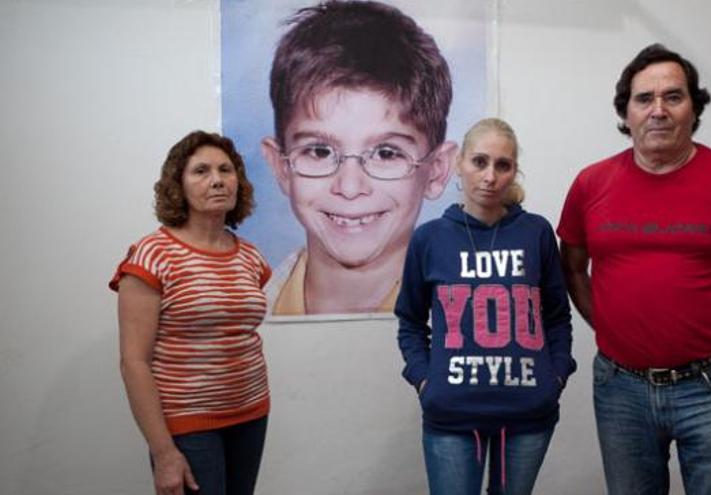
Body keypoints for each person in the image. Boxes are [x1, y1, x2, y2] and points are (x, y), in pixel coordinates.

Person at [557, 44, 711, 494]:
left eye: (673, 96)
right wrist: (610, 327)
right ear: (626, 111)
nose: (658, 110)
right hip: (620, 389)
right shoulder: (590, 184)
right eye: (644, 99)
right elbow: (572, 269)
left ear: (694, 108)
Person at [397, 118, 577, 495]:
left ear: (514, 171)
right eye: (480, 162)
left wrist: (556, 375)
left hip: (529, 414)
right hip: (451, 415)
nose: (490, 176)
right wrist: (425, 380)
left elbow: (557, 315)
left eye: (503, 165)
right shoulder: (429, 239)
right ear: (460, 162)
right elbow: (411, 321)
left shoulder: (537, 233)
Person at [261, 0, 458, 315]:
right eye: (320, 151)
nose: (350, 188)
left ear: (436, 171)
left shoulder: (473, 325)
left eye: (386, 153)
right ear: (281, 166)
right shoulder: (241, 321)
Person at [110, 131, 272, 495]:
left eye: (225, 170)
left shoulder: (250, 256)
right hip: (187, 423)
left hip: (251, 412)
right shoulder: (152, 255)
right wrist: (164, 452)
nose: (216, 180)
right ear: (177, 185)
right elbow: (133, 362)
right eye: (200, 171)